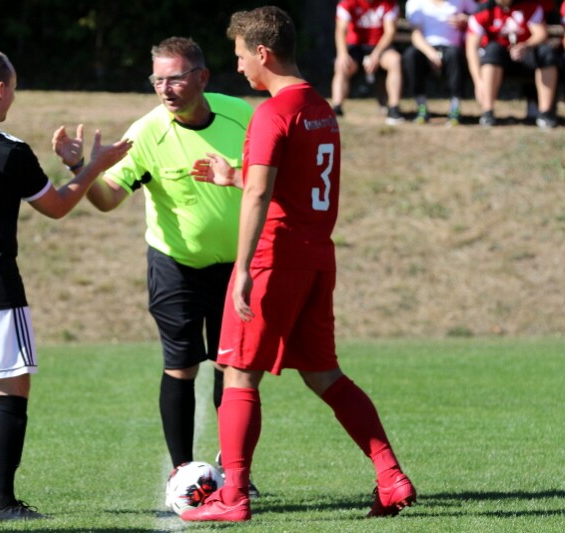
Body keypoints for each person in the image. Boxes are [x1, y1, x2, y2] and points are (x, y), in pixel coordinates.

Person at [180, 6, 416, 522]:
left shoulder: (272, 113)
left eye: (241, 56)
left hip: (274, 258)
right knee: (324, 374)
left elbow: (262, 194)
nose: (238, 66)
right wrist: (233, 176)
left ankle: (233, 495)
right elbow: (291, 182)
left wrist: (243, 268)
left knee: (239, 374)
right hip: (315, 258)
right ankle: (390, 476)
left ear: (263, 53)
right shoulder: (319, 106)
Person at [0, 49, 131, 523]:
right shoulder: (7, 149)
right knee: (10, 389)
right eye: (13, 89)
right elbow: (56, 206)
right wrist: (93, 166)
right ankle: (2, 502)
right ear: (0, 89)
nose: (13, 97)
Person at [51, 37, 258, 496]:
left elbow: (269, 180)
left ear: (202, 78)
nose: (165, 89)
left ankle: (236, 472)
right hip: (174, 266)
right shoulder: (146, 132)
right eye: (157, 80)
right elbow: (107, 199)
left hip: (237, 268)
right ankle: (182, 474)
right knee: (181, 367)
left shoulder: (242, 116)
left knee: (233, 368)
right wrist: (81, 167)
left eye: (175, 78)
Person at [465, 0, 559, 128]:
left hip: (526, 54)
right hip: (496, 59)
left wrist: (526, 45)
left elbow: (540, 34)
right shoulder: (483, 10)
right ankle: (487, 112)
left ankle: (545, 113)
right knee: (492, 50)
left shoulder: (529, 6)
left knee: (546, 53)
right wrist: (478, 82)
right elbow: (471, 48)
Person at [403, 0, 479, 125]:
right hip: (425, 48)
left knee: (455, 55)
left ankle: (455, 108)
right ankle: (421, 107)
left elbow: (479, 14)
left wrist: (466, 20)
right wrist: (431, 53)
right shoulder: (415, 3)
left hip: (451, 48)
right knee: (411, 56)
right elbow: (416, 36)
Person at [331, 0, 405, 124]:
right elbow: (340, 30)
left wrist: (376, 54)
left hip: (380, 46)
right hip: (355, 46)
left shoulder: (388, 3)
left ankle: (394, 108)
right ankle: (337, 107)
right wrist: (342, 54)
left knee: (395, 60)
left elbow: (390, 32)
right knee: (341, 65)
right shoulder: (348, 2)